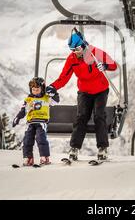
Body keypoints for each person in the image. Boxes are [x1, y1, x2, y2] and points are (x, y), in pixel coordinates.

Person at [46, 29, 117, 161]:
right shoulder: (72, 59)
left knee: (99, 116)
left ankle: (102, 148)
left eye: (77, 48)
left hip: (100, 90)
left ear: (84, 45)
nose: (75, 52)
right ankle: (75, 148)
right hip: (84, 91)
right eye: (72, 49)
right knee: (81, 117)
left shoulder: (96, 53)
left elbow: (114, 65)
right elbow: (64, 77)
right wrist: (53, 86)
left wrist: (105, 65)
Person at [12, 77, 59, 166]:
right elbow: (23, 110)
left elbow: (56, 101)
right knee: (27, 140)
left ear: (42, 89)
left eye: (37, 90)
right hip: (30, 123)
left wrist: (54, 93)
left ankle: (44, 157)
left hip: (42, 122)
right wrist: (18, 117)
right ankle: (28, 158)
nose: (35, 91)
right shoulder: (29, 99)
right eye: (33, 90)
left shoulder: (46, 97)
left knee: (41, 139)